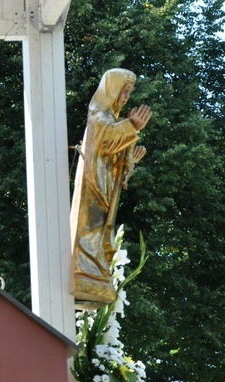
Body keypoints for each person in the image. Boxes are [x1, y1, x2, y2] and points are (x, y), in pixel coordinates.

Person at [70, 68, 151, 308]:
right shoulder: (98, 114)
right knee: (90, 225)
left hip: (105, 183)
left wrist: (130, 162)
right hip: (93, 182)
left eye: (129, 93)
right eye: (123, 91)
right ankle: (86, 271)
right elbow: (106, 139)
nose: (126, 97)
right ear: (112, 89)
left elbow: (115, 155)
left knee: (100, 228)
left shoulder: (112, 118)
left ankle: (95, 272)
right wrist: (132, 126)